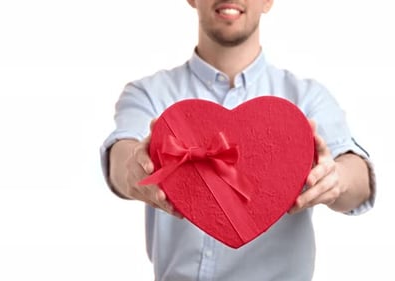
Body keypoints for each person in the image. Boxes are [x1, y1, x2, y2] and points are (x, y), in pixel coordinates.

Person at [100, 0, 375, 280]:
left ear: (268, 1)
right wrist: (134, 167)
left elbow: (358, 179)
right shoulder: (149, 93)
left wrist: (337, 178)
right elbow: (122, 155)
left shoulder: (306, 98)